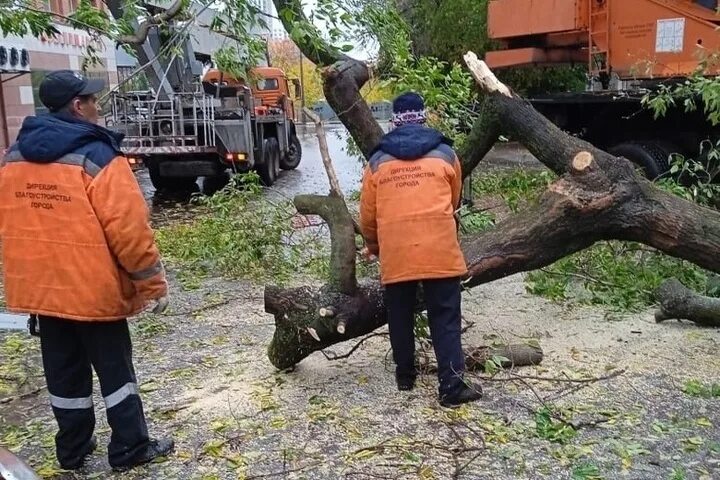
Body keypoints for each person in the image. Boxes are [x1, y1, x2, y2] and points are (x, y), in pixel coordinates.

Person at [0, 70, 173, 471]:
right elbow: (129, 232)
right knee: (116, 374)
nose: (98, 106)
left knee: (63, 376)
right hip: (93, 290)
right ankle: (130, 448)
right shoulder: (98, 157)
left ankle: (72, 451)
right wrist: (152, 285)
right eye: (92, 100)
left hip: (43, 291)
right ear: (78, 106)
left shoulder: (14, 157)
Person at [360, 92, 482, 408]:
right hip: (439, 249)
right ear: (424, 117)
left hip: (397, 250)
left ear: (394, 121)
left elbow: (368, 216)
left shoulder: (377, 161)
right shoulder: (446, 154)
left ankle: (405, 377)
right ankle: (451, 388)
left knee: (398, 314)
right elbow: (453, 201)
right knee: (445, 316)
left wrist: (375, 246)